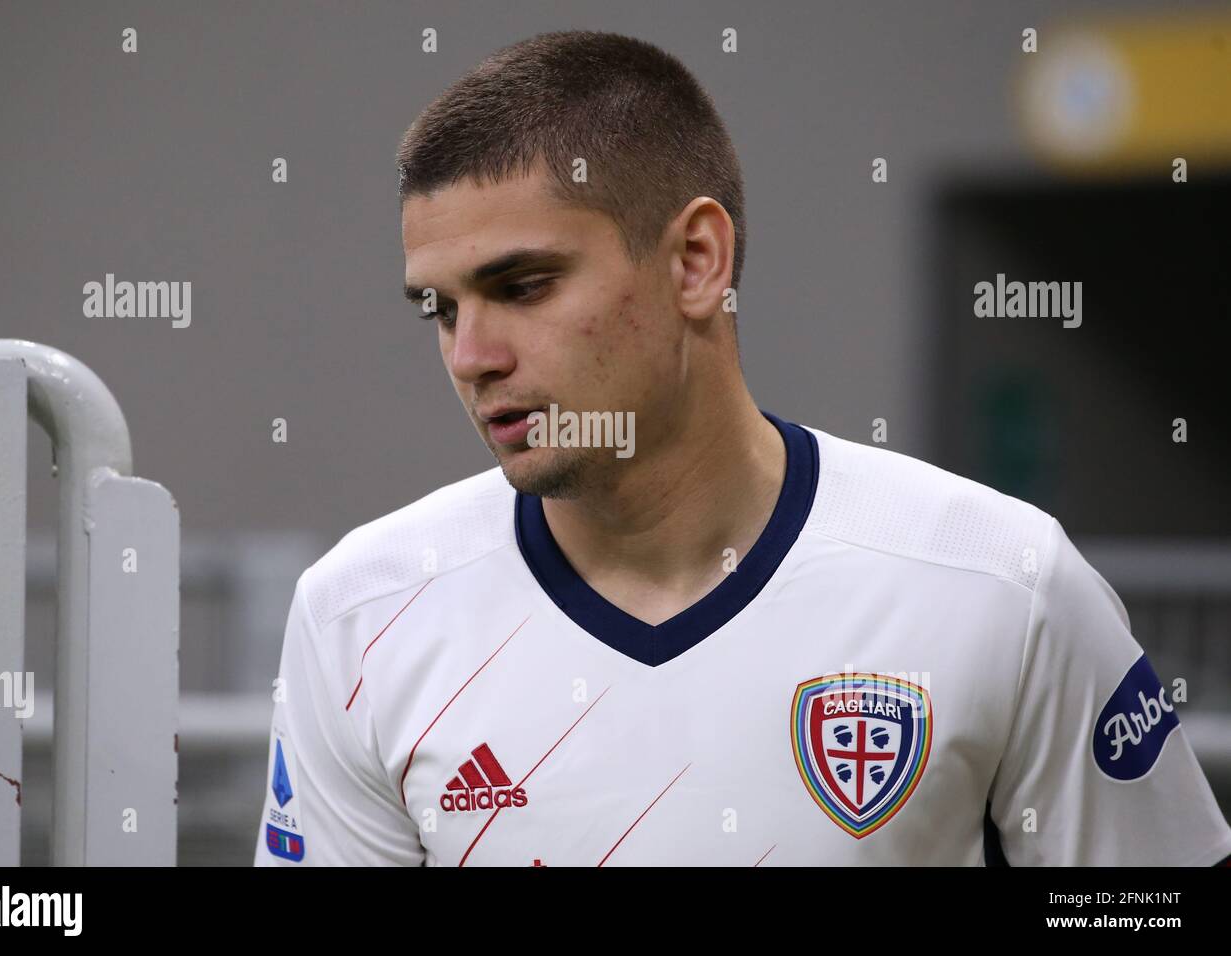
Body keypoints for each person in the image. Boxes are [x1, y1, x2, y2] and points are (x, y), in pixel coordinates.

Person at [255, 29, 1231, 866]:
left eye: (521, 285)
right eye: (439, 307)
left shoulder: (1001, 582)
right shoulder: (360, 615)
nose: (471, 356)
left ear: (695, 261)